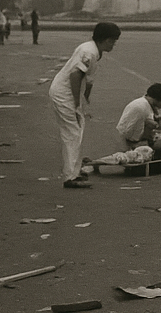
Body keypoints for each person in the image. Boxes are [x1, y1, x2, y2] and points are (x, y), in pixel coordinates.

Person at [49, 22, 120, 189]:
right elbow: (75, 75)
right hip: (64, 94)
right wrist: (76, 104)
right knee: (72, 133)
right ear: (106, 40)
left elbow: (88, 80)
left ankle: (75, 170)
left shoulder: (93, 50)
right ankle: (70, 177)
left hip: (67, 93)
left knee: (77, 130)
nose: (114, 45)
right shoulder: (89, 52)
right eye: (113, 41)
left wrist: (85, 99)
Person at [117, 83, 161, 148]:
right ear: (159, 99)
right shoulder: (141, 108)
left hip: (126, 135)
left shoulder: (144, 102)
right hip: (130, 141)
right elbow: (132, 136)